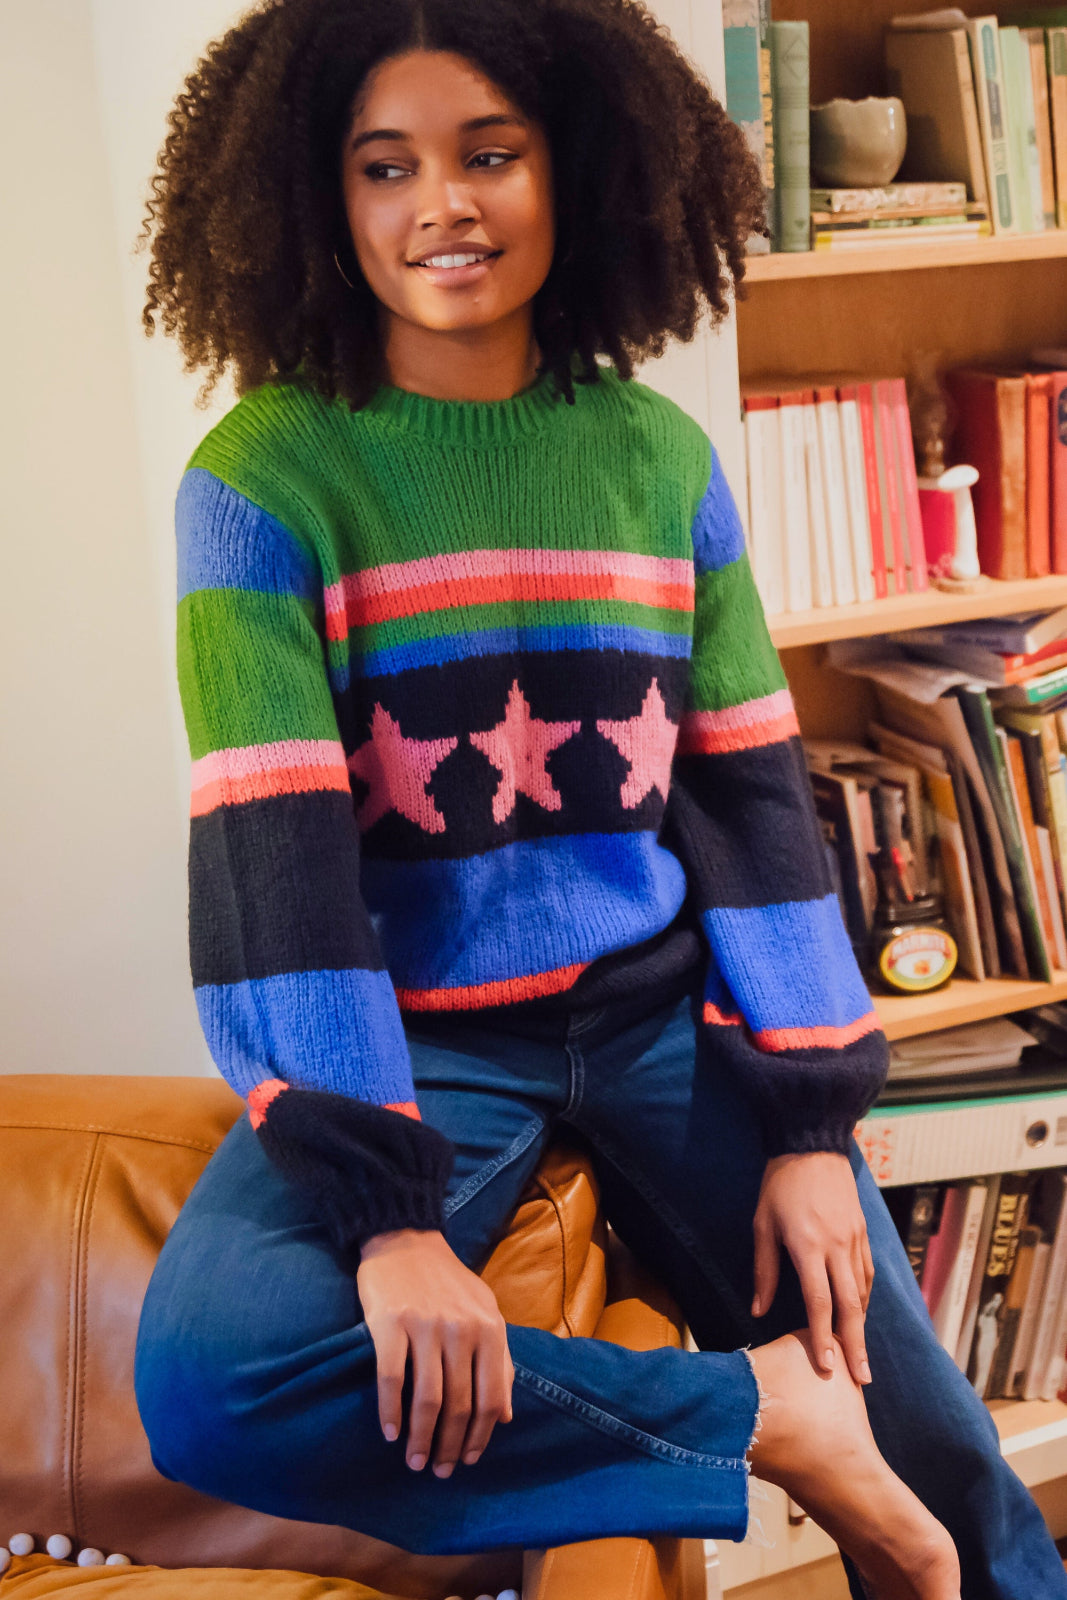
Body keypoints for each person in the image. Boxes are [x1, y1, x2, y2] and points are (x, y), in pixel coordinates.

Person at [131, 2, 1063, 1596]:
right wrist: (388, 1217)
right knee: (218, 1378)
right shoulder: (257, 486)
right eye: (384, 166)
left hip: (659, 1016)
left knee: (932, 1435)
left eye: (490, 154)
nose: (444, 205)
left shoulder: (659, 458)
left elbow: (751, 803)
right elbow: (276, 876)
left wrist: (808, 1126)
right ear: (314, 198)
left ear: (578, 168)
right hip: (419, 1045)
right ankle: (763, 1421)